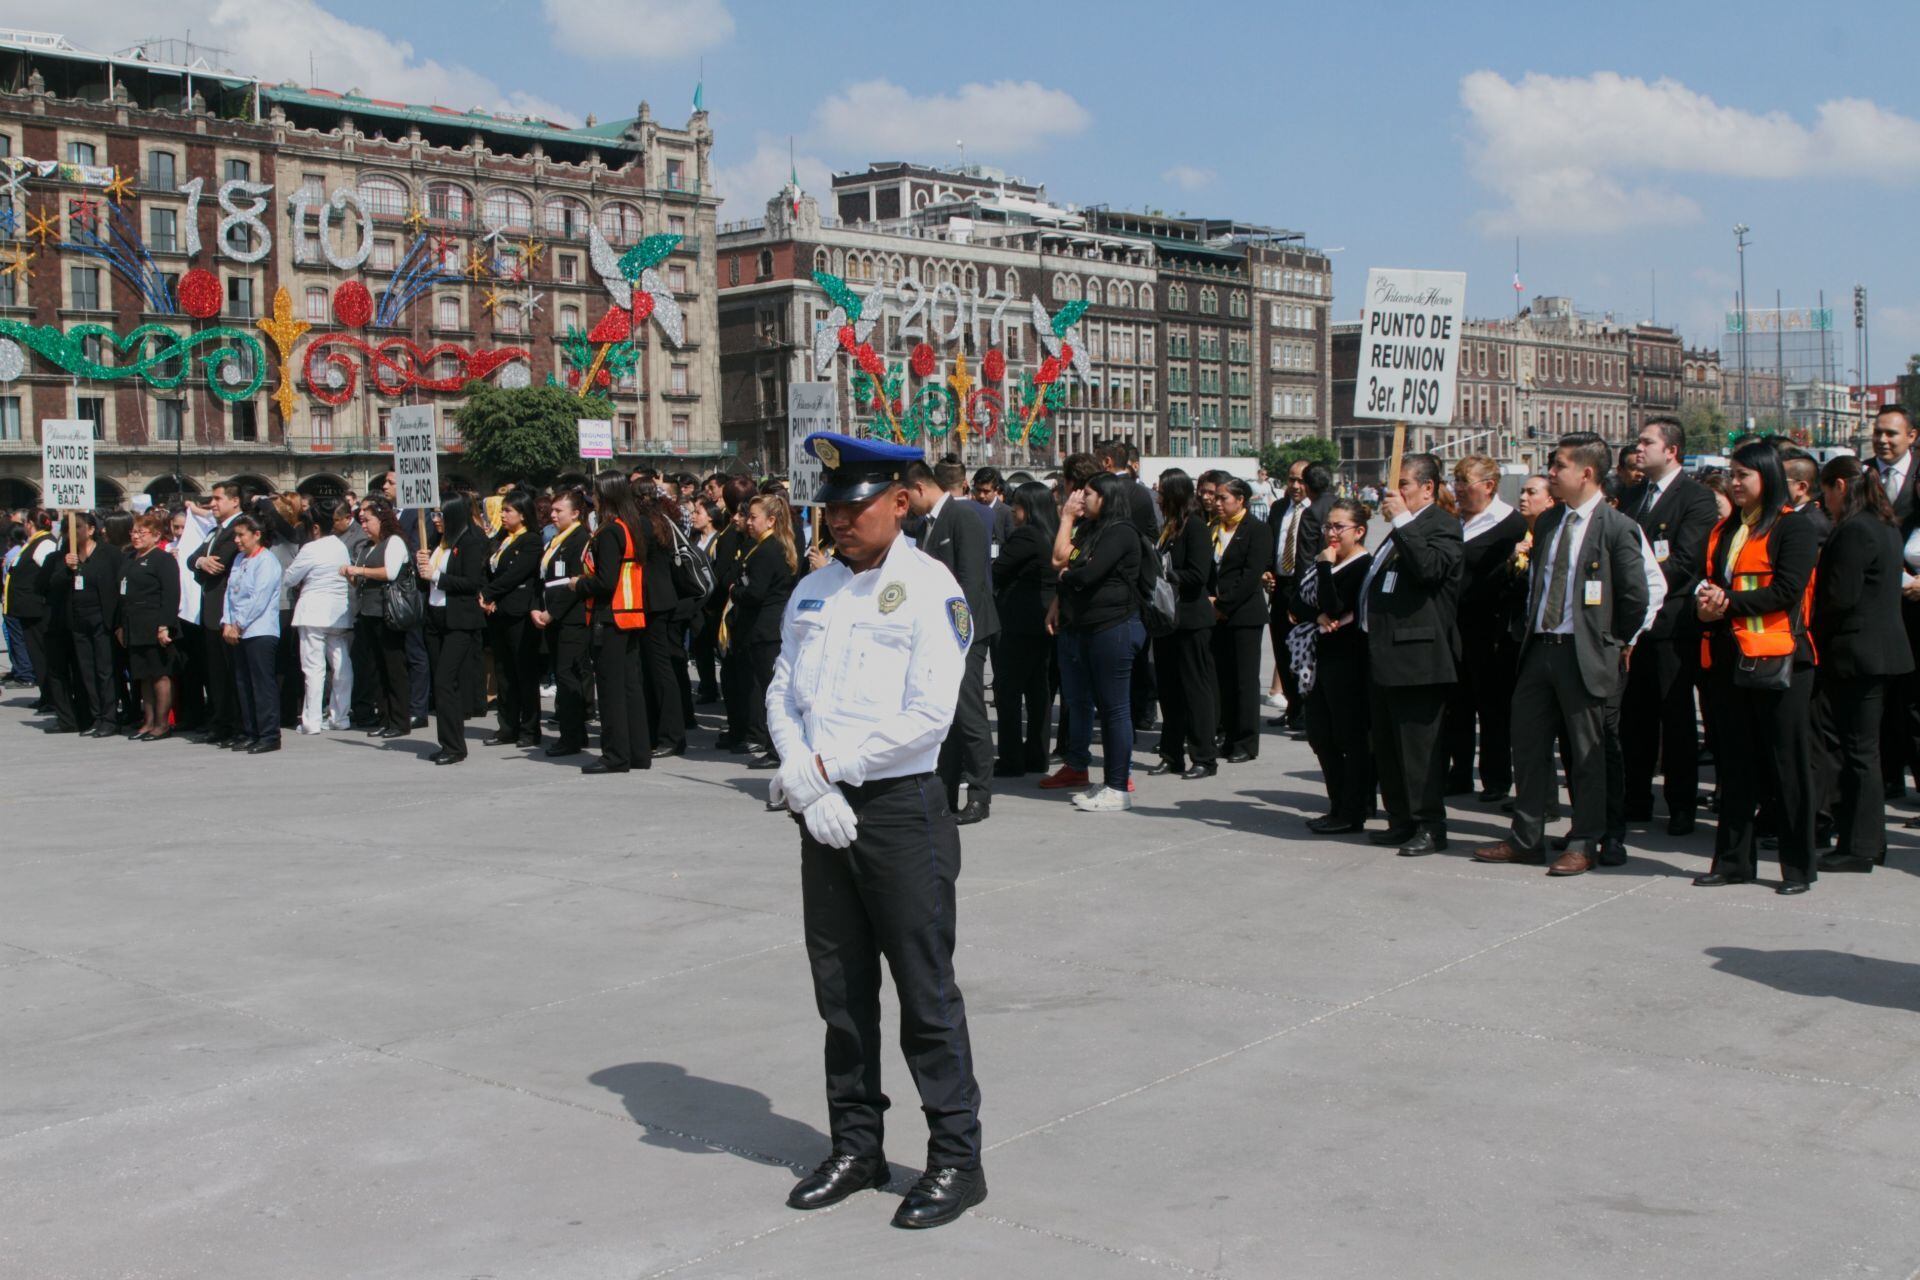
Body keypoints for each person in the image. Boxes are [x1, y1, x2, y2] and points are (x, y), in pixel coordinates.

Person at [767, 431, 986, 1230]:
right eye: (831, 507)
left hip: (898, 811)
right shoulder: (813, 589)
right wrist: (800, 772)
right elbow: (782, 692)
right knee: (842, 994)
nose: (839, 520)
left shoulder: (931, 588)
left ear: (900, 500)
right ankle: (856, 1145)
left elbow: (929, 715)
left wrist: (825, 771)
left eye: (854, 506)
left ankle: (957, 1159)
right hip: (822, 812)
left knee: (925, 994)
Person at [1471, 435, 1655, 876]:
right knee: (1529, 746)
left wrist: (1609, 642)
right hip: (1540, 650)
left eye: (1558, 466)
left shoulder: (1616, 527)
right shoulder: (1550, 522)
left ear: (1586, 473)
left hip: (1584, 654)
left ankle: (1586, 839)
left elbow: (1635, 598)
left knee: (1586, 754)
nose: (1550, 473)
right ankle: (1527, 837)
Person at [1692, 439, 1821, 894]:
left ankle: (1798, 868)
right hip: (1728, 657)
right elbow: (1712, 579)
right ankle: (1732, 862)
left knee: (1787, 766)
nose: (1734, 481)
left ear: (1768, 476)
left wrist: (1726, 603)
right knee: (1735, 765)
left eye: (1744, 474)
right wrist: (1706, 600)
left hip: (1780, 659)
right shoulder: (1727, 528)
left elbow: (1787, 590)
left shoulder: (1794, 528)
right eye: (1732, 473)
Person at [1616, 418, 1720, 836]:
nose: (1639, 449)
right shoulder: (1632, 494)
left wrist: (1639, 586)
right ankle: (1636, 797)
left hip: (1671, 623)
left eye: (1647, 442)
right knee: (1633, 717)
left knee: (1674, 717)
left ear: (1671, 450)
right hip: (1633, 624)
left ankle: (1680, 804)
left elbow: (1686, 560)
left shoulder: (1694, 498)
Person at [1359, 454, 1463, 856]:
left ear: (1427, 488)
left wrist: (1402, 520)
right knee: (1388, 746)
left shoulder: (1441, 525)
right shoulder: (1400, 529)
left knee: (1419, 749)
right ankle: (1400, 818)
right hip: (1385, 654)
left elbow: (1430, 569)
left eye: (1403, 484)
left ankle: (1429, 825)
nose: (1393, 492)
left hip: (1419, 657)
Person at [1812, 456, 1910, 872]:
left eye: (1826, 492)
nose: (1825, 502)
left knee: (1858, 752)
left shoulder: (1853, 530)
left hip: (1855, 654)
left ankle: (1861, 845)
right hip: (1881, 651)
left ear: (1838, 486)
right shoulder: (1884, 524)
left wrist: (1815, 631)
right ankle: (1868, 840)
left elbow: (1839, 597)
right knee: (1864, 750)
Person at [907, 460, 1000, 823]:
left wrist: (955, 636)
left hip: (965, 632)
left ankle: (979, 796)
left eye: (908, 498)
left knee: (969, 713)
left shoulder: (964, 518)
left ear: (919, 488)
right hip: (939, 633)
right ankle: (943, 792)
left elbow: (971, 585)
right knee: (944, 715)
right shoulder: (929, 524)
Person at [1047, 470, 1145, 811]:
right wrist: (1068, 523)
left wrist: (1069, 575)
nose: (1080, 499)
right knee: (1102, 705)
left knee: (1115, 709)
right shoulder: (1093, 530)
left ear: (1105, 497)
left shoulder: (1120, 532)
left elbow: (1088, 573)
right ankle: (1107, 781)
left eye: (1087, 493)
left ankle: (1118, 786)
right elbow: (1062, 558)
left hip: (1115, 626)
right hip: (1092, 627)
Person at [1443, 455, 1527, 802]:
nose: (1459, 490)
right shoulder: (1455, 521)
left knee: (1492, 707)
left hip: (1490, 630)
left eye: (1466, 483)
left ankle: (1496, 777)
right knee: (1457, 705)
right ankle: (1459, 771)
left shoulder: (1510, 525)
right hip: (1455, 627)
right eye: (1456, 482)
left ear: (1489, 486)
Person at [1296, 498, 1375, 831]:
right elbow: (1296, 603)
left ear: (1358, 531)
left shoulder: (1362, 566)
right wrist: (1316, 615)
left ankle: (1352, 810)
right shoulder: (1321, 561)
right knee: (1321, 736)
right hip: (1318, 659)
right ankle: (1338, 803)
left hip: (1349, 660)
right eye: (1328, 525)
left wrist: (1326, 569)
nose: (1331, 532)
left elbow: (1337, 604)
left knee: (1349, 738)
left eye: (1338, 526)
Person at [576, 473, 650, 775]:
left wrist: (578, 585)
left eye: (594, 492)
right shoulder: (629, 527)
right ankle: (637, 752)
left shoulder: (609, 532)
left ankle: (615, 755)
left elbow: (605, 581)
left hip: (611, 616)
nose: (592, 497)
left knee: (610, 690)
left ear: (604, 495)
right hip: (631, 613)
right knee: (631, 687)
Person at [1148, 469, 1218, 778]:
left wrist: (1167, 575)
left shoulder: (1196, 528)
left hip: (1191, 619)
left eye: (1163, 492)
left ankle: (1203, 755)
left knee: (1195, 689)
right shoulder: (1169, 528)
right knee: (1169, 690)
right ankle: (1171, 753)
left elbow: (1199, 575)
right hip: (1167, 620)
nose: (1159, 497)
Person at [990, 480, 1057, 777]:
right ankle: (1036, 755)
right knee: (1038, 691)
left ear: (1027, 508)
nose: (1013, 511)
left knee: (1009, 691)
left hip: (1020, 620)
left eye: (1016, 505)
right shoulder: (1052, 533)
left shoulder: (1027, 535)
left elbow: (998, 569)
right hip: (1041, 620)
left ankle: (1011, 758)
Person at [1871, 406, 1920, 800]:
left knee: (1915, 700)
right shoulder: (1863, 475)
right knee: (1883, 697)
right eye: (1878, 433)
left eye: (1892, 434)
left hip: (1915, 601)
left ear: (1911, 436)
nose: (1884, 441)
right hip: (1877, 604)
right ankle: (1887, 777)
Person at [1209, 478, 1275, 763]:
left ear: (1240, 500)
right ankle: (1228, 735)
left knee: (1245, 680)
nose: (1217, 503)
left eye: (1223, 498)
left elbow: (1251, 575)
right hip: (1215, 613)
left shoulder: (1257, 531)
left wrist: (1224, 604)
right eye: (1216, 498)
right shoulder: (1213, 529)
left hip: (1244, 614)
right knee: (1223, 678)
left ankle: (1247, 742)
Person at [417, 496, 487, 764]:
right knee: (442, 683)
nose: (435, 520)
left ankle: (455, 746)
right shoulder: (437, 543)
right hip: (435, 618)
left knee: (446, 681)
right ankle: (448, 741)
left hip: (459, 620)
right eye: (433, 515)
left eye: (440, 515)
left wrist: (435, 575)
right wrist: (422, 566)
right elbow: (427, 582)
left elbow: (470, 582)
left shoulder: (469, 542)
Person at [732, 492, 799, 767]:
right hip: (770, 627)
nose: (749, 522)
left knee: (771, 692)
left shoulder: (767, 550)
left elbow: (755, 593)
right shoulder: (770, 546)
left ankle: (775, 749)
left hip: (765, 629)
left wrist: (735, 591)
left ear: (771, 520)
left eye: (753, 517)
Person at [283, 499, 356, 735]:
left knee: (314, 668)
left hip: (313, 611)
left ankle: (311, 720)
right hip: (337, 612)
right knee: (341, 665)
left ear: (315, 528)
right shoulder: (340, 546)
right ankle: (340, 716)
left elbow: (290, 578)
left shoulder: (310, 548)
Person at [1264, 459, 1327, 728]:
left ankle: (1307, 710)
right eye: (1291, 480)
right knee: (1281, 649)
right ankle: (1292, 706)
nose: (1295, 486)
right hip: (1281, 585)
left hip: (1307, 589)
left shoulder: (1318, 510)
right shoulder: (1278, 509)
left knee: (1305, 651)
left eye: (1301, 480)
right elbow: (1270, 544)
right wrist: (1266, 572)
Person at [478, 489, 542, 749]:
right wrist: (486, 595)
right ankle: (507, 726)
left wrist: (489, 593)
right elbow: (487, 569)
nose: (503, 515)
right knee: (503, 672)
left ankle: (529, 728)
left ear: (523, 514)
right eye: (502, 510)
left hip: (518, 613)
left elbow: (516, 574)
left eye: (508, 511)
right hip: (497, 612)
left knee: (523, 672)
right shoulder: (501, 539)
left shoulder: (531, 540)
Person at [343, 499, 412, 739]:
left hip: (387, 614)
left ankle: (400, 720)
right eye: (361, 520)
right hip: (368, 612)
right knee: (377, 669)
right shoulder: (365, 547)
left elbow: (389, 573)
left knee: (394, 668)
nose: (363, 524)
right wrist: (351, 575)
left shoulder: (393, 542)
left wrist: (359, 571)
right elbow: (361, 580)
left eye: (367, 520)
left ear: (381, 520)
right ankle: (384, 717)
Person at [531, 489, 591, 758]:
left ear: (576, 513)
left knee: (569, 678)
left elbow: (574, 584)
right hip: (554, 618)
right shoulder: (556, 539)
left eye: (559, 511)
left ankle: (572, 736)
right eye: (552, 510)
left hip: (572, 619)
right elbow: (545, 578)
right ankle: (574, 733)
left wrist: (551, 613)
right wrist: (536, 607)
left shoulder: (580, 539)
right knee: (564, 674)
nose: (553, 515)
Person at [219, 514, 284, 753]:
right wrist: (227, 622)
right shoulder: (239, 559)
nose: (237, 540)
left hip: (259, 630)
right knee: (242, 682)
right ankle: (250, 731)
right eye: (235, 535)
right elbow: (230, 593)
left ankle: (268, 734)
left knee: (261, 684)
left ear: (257, 535)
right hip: (237, 629)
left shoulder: (266, 561)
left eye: (241, 535)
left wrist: (239, 623)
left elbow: (259, 598)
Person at [632, 490, 688, 759]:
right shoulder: (661, 520)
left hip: (653, 601)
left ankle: (670, 735)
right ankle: (664, 733)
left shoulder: (644, 524)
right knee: (659, 668)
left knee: (659, 669)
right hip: (661, 599)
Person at [118, 511, 181, 741]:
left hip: (154, 623)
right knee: (143, 675)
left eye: (141, 533)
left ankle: (163, 724)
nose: (136, 537)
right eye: (133, 532)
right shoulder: (129, 558)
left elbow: (171, 595)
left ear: (155, 536)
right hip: (134, 624)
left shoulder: (163, 559)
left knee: (159, 674)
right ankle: (149, 720)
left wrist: (165, 625)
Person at [191, 482, 244, 745]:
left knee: (230, 672)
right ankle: (220, 721)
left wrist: (204, 563)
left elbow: (221, 564)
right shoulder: (215, 530)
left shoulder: (239, 528)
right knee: (216, 674)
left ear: (234, 501)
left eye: (217, 499)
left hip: (227, 609)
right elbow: (194, 559)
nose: (212, 504)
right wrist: (200, 561)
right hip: (210, 610)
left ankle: (235, 725)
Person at [60, 514, 122, 737]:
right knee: (87, 670)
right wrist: (67, 568)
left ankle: (110, 717)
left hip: (102, 618)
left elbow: (120, 586)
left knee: (105, 669)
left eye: (78, 527)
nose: (73, 532)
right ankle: (96, 716)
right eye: (69, 527)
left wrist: (120, 622)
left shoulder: (110, 554)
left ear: (91, 529)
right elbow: (53, 582)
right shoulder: (68, 555)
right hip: (78, 619)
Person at [713, 475, 758, 753]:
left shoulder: (738, 536)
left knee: (743, 679)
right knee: (734, 678)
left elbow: (727, 574)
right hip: (732, 614)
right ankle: (740, 728)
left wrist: (729, 585)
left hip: (739, 613)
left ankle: (747, 731)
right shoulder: (734, 533)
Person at [686, 498, 724, 704]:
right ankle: (707, 687)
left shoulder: (719, 540)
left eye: (697, 512)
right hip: (697, 603)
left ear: (710, 516)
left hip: (713, 603)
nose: (693, 516)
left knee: (717, 648)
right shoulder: (692, 540)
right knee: (700, 647)